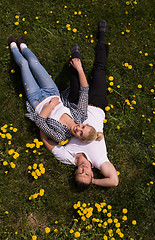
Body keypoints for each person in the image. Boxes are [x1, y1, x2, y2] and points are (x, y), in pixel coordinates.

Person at [40, 20, 119, 190]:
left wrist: (41, 124)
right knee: (99, 70)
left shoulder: (69, 158)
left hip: (76, 106)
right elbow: (113, 181)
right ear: (92, 174)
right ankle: (101, 39)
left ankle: (75, 59)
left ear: (75, 172)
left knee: (75, 79)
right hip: (97, 104)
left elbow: (48, 143)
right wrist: (94, 182)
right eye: (88, 174)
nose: (84, 169)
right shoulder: (99, 161)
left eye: (80, 172)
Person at [8, 36, 103, 144]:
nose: (78, 128)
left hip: (36, 100)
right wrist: (79, 68)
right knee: (34, 62)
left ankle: (13, 47)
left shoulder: (60, 136)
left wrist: (51, 106)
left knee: (24, 65)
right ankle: (23, 46)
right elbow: (84, 91)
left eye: (80, 133)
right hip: (51, 91)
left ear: (80, 139)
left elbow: (40, 123)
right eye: (83, 127)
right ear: (85, 124)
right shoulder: (80, 115)